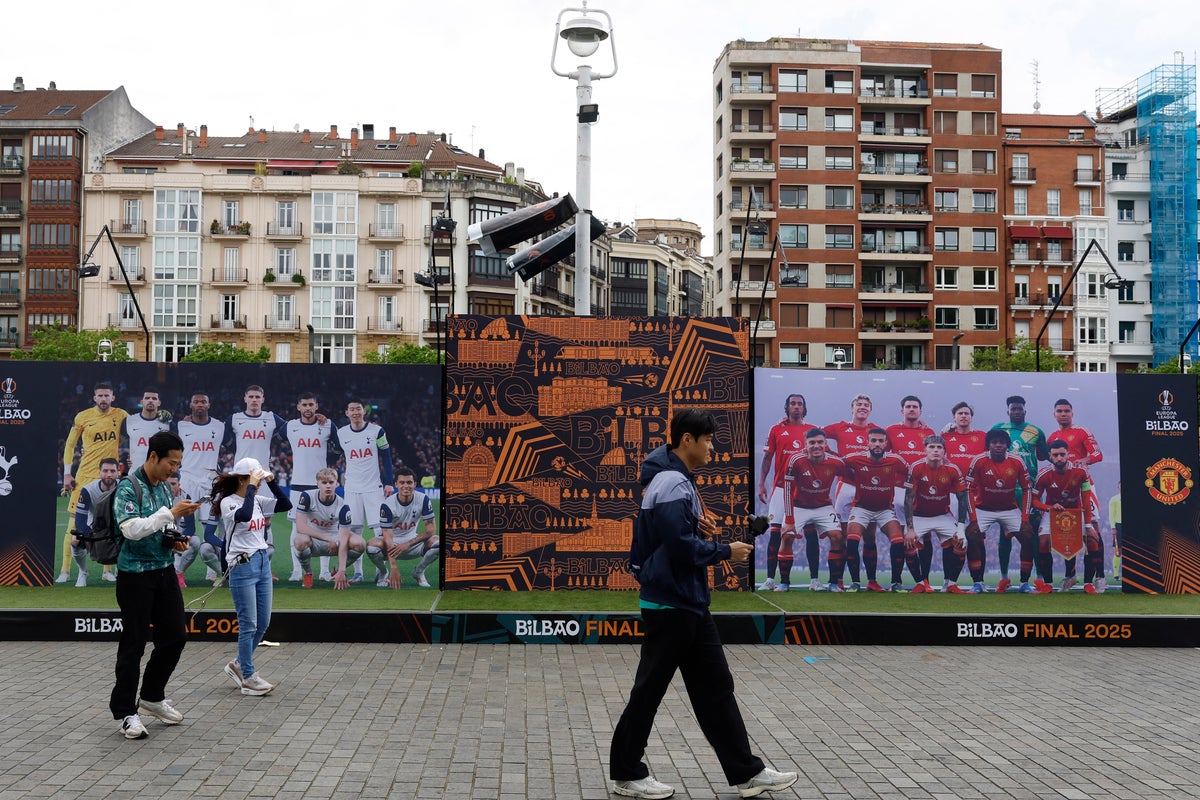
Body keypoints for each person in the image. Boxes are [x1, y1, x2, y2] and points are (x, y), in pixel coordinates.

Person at [609, 409, 797, 800]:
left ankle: (747, 773)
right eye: (708, 439)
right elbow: (678, 547)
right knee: (650, 691)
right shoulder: (671, 482)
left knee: (715, 689)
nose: (713, 447)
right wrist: (726, 551)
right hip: (670, 602)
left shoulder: (678, 481)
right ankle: (627, 772)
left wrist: (708, 533)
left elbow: (678, 536)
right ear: (687, 440)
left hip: (688, 602)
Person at [109, 431, 199, 740]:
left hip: (164, 572)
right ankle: (125, 713)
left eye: (177, 464)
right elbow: (132, 530)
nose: (174, 469)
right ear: (152, 458)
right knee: (133, 644)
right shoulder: (127, 487)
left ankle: (151, 697)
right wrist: (171, 513)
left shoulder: (163, 489)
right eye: (170, 463)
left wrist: (175, 541)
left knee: (175, 636)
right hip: (134, 576)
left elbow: (161, 529)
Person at [213, 456, 292, 695]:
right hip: (242, 566)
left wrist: (272, 482)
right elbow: (244, 515)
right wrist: (250, 489)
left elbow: (285, 504)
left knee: (263, 623)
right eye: (253, 478)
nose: (257, 483)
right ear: (241, 479)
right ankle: (247, 676)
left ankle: (238, 664)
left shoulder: (255, 499)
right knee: (248, 625)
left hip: (261, 562)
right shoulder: (229, 502)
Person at [59, 381, 128, 584]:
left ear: (113, 397)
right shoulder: (83, 416)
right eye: (100, 395)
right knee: (74, 522)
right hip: (85, 475)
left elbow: (137, 430)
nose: (103, 399)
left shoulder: (121, 415)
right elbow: (70, 444)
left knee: (110, 523)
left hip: (109, 476)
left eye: (107, 395)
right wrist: (67, 474)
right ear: (94, 397)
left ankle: (107, 570)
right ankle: (66, 570)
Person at [223, 385, 289, 580]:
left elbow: (292, 428)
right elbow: (223, 439)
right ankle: (227, 567)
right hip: (240, 477)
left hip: (262, 477)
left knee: (265, 524)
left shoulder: (271, 418)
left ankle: (266, 566)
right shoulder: (234, 419)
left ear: (263, 399)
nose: (254, 400)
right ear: (245, 398)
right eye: (250, 396)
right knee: (233, 523)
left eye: (257, 397)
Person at [841, 428, 916, 592]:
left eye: (880, 441)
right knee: (852, 541)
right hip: (861, 509)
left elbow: (913, 471)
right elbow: (835, 462)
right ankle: (855, 583)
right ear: (867, 442)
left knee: (898, 542)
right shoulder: (856, 458)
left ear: (886, 443)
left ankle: (896, 583)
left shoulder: (895, 460)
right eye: (873, 440)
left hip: (885, 510)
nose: (877, 444)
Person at [989, 396, 1048, 592]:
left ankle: (1038, 578)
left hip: (1027, 489)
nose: (1016, 411)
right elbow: (986, 453)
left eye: (1019, 408)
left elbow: (1044, 455)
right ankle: (1004, 578)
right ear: (1008, 411)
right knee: (1004, 535)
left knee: (1032, 535)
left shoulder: (1036, 432)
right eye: (1013, 408)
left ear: (1025, 410)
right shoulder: (998, 429)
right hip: (1004, 488)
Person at [756, 393, 813, 592]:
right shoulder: (776, 429)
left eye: (800, 404)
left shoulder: (812, 431)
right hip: (780, 489)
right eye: (793, 403)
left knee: (810, 534)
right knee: (775, 534)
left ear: (804, 408)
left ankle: (814, 580)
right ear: (787, 407)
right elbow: (767, 458)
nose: (796, 406)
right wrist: (761, 483)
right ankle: (771, 579)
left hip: (804, 490)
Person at [333, 399, 395, 585]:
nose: (355, 412)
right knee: (354, 532)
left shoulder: (377, 431)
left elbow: (387, 457)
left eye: (358, 409)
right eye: (351, 409)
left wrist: (389, 483)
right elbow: (334, 453)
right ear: (347, 413)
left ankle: (381, 572)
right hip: (351, 488)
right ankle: (358, 573)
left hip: (374, 488)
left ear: (364, 411)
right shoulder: (341, 433)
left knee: (380, 531)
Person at [965, 430, 1034, 593]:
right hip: (983, 509)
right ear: (988, 445)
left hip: (1009, 509)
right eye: (994, 442)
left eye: (1002, 442)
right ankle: (978, 583)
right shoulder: (979, 460)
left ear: (1007, 445)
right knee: (972, 536)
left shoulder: (1017, 461)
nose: (998, 445)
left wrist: (1025, 519)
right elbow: (969, 489)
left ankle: (1024, 584)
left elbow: (1027, 489)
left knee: (1028, 537)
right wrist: (973, 519)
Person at [780, 429, 848, 592]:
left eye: (820, 442)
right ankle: (784, 583)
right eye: (812, 443)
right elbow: (787, 489)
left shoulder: (836, 462)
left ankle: (833, 584)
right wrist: (789, 520)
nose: (816, 446)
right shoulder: (795, 460)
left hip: (823, 506)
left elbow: (851, 477)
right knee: (787, 536)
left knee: (837, 537)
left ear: (825, 444)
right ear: (806, 445)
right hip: (799, 506)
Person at [823, 394, 879, 591]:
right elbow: (814, 434)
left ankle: (871, 581)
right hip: (845, 486)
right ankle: (841, 580)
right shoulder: (840, 427)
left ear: (870, 410)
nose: (862, 407)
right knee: (844, 536)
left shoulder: (876, 430)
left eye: (866, 405)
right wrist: (833, 455)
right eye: (859, 404)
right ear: (852, 408)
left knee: (870, 535)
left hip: (869, 487)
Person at [904, 435, 971, 593]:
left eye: (939, 447)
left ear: (944, 452)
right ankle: (921, 583)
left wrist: (961, 528)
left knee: (962, 541)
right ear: (925, 450)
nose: (935, 450)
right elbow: (908, 499)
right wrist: (910, 528)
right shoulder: (916, 468)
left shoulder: (953, 469)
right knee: (907, 543)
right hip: (920, 515)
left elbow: (962, 499)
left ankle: (951, 584)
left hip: (942, 515)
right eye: (932, 447)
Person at [1050, 398, 1105, 591]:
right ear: (1054, 414)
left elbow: (1098, 455)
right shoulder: (1053, 437)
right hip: (1063, 490)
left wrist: (1082, 461)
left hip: (1084, 486)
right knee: (1068, 531)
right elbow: (1043, 454)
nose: (1063, 414)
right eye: (1059, 411)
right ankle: (1070, 575)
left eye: (1066, 411)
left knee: (1093, 529)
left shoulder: (1082, 432)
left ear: (1072, 414)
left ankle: (1098, 577)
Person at [1032, 439, 1098, 593]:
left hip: (1075, 512)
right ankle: (1048, 584)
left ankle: (1088, 584)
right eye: (1056, 455)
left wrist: (1088, 526)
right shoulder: (1043, 475)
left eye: (1062, 454)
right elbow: (1034, 501)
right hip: (1053, 513)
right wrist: (1049, 507)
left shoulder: (1081, 472)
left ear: (1068, 454)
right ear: (1050, 456)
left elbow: (1086, 501)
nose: (1059, 458)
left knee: (1093, 541)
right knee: (1043, 542)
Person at [173, 392, 224, 585]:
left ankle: (212, 571)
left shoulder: (220, 427)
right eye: (196, 401)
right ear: (190, 405)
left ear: (209, 404)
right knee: (183, 526)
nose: (200, 404)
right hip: (187, 481)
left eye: (203, 401)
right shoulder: (181, 426)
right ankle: (178, 570)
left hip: (209, 482)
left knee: (209, 524)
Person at [284, 392, 335, 582]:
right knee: (296, 529)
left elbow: (338, 447)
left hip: (320, 484)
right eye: (304, 404)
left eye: (311, 404)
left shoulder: (328, 425)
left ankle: (324, 571)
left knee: (325, 528)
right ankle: (297, 570)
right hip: (298, 485)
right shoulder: (289, 426)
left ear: (316, 406)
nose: (307, 408)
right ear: (298, 407)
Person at [886, 396, 936, 579]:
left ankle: (925, 579)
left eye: (915, 406)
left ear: (920, 412)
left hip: (922, 491)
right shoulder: (891, 431)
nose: (912, 409)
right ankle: (896, 580)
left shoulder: (928, 431)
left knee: (925, 536)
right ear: (902, 411)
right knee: (899, 537)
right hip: (898, 489)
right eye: (908, 406)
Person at [293, 467, 364, 589]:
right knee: (299, 541)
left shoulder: (343, 506)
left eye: (331, 482)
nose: (328, 486)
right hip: (314, 538)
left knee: (360, 543)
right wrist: (326, 538)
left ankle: (336, 571)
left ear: (336, 484)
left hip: (336, 540)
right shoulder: (307, 497)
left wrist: (342, 569)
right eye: (324, 483)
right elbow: (300, 527)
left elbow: (344, 538)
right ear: (317, 484)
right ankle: (308, 573)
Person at [378, 466, 440, 588]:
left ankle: (419, 571)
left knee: (439, 543)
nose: (405, 486)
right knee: (371, 547)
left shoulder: (423, 499)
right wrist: (393, 567)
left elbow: (431, 529)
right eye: (402, 482)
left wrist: (407, 544)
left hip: (412, 541)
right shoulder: (387, 505)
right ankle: (384, 572)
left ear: (415, 484)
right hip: (392, 544)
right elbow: (387, 537)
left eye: (409, 482)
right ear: (396, 484)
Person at [68, 457, 120, 587]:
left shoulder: (125, 487)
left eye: (112, 471)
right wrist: (89, 535)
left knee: (135, 536)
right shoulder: (88, 490)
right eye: (105, 470)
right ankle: (83, 572)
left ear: (118, 472)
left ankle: (122, 572)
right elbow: (80, 518)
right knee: (75, 539)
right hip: (95, 529)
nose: (109, 474)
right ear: (99, 472)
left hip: (119, 529)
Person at [121, 388, 171, 472]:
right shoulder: (129, 421)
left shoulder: (167, 423)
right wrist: (125, 457)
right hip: (135, 474)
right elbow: (118, 444)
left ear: (159, 403)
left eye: (154, 398)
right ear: (141, 402)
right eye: (147, 398)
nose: (150, 400)